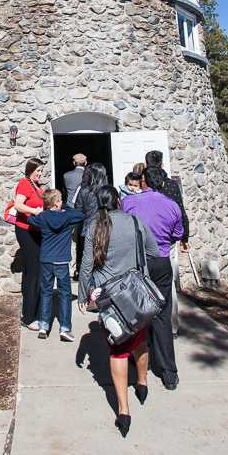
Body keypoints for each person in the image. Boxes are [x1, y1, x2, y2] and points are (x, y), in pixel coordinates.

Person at [78, 185, 160, 437]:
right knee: (140, 340)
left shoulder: (95, 228)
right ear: (118, 200)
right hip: (136, 296)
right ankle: (143, 384)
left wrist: (82, 295)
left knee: (118, 351)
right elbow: (154, 251)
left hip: (111, 301)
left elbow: (85, 266)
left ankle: (124, 412)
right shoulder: (135, 223)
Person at [121, 168, 184, 390]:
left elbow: (124, 228)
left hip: (139, 263)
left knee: (138, 314)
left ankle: (139, 360)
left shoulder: (130, 203)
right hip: (162, 262)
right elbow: (177, 234)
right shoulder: (172, 205)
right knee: (162, 315)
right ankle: (168, 372)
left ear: (144, 181)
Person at [143, 150, 190, 336]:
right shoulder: (171, 186)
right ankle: (171, 324)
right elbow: (181, 211)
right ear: (162, 165)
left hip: (147, 241)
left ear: (145, 165)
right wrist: (184, 237)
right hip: (167, 240)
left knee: (144, 282)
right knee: (168, 283)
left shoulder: (144, 185)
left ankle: (144, 322)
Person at [29, 188, 85, 341]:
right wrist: (65, 207)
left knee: (46, 291)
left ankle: (44, 325)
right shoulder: (68, 217)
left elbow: (30, 220)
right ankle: (65, 327)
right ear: (57, 203)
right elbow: (81, 215)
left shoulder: (43, 217)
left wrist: (42, 210)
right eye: (60, 200)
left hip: (46, 259)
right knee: (65, 293)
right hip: (61, 260)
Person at [13, 158, 45, 329]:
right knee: (34, 270)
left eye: (41, 171)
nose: (40, 174)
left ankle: (33, 310)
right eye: (37, 170)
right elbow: (19, 205)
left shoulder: (37, 187)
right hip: (25, 230)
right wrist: (34, 211)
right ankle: (28, 317)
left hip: (35, 231)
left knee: (34, 270)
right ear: (30, 169)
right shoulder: (25, 184)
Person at [73, 162, 108, 281]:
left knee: (88, 262)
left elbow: (78, 210)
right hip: (104, 228)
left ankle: (91, 289)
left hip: (87, 229)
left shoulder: (84, 191)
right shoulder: (108, 190)